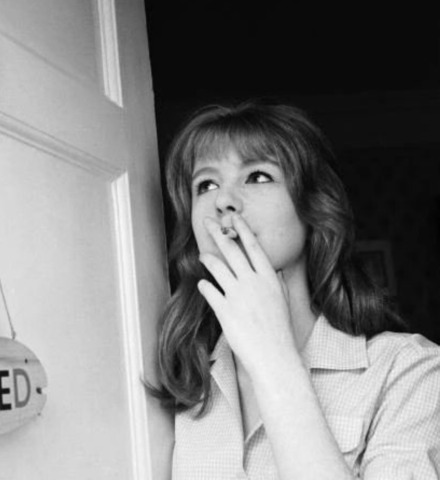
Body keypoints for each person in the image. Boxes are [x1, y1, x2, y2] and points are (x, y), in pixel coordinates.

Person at [150, 100, 440, 479]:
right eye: (206, 184)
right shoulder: (179, 376)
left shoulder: (408, 370)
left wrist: (273, 359)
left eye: (257, 176)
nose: (223, 201)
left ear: (313, 206)